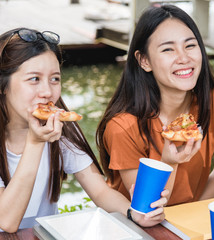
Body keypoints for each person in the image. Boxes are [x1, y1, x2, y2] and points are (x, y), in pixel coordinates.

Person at [0, 27, 168, 233]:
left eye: (55, 79)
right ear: (3, 86)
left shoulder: (63, 129)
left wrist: (134, 213)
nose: (47, 92)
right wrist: (35, 143)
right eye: (34, 79)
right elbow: (6, 221)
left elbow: (100, 192)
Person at [96, 4, 214, 206]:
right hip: (132, 223)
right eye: (168, 49)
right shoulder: (123, 127)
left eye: (190, 45)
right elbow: (146, 207)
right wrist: (169, 163)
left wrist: (192, 215)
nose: (184, 58)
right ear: (144, 60)